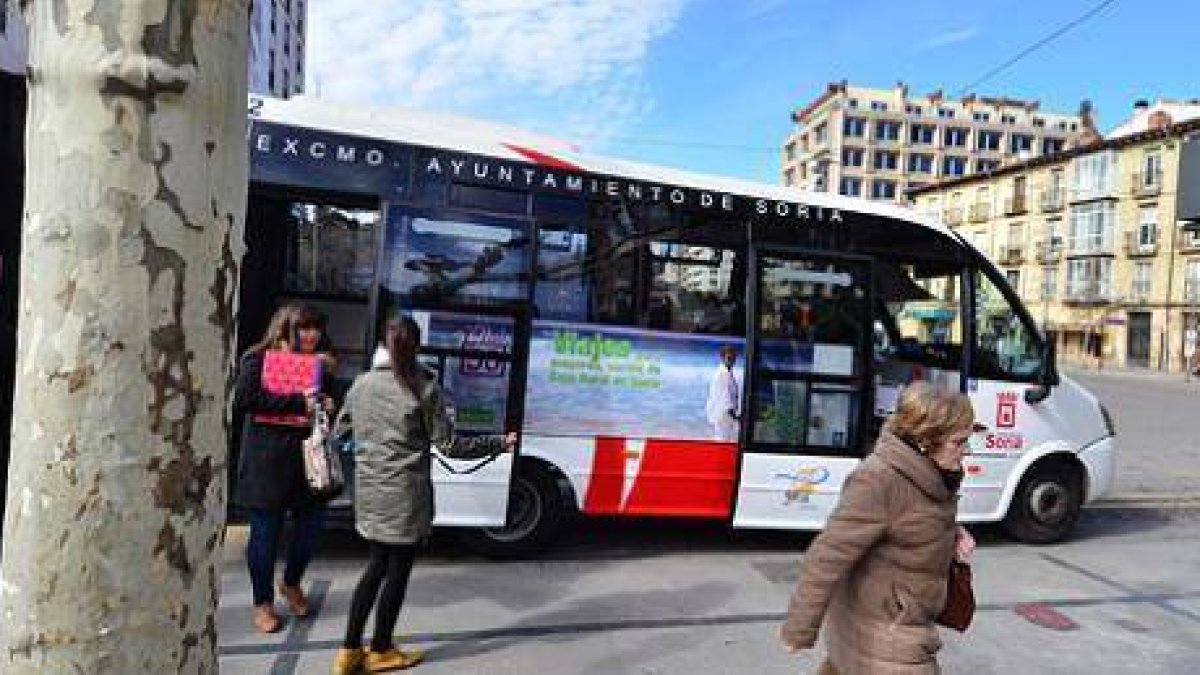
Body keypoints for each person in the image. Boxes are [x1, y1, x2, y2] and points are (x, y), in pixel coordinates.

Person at [331, 316, 517, 674]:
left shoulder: (361, 384)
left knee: (373, 569)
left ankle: (348, 651)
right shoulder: (424, 387)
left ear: (384, 345)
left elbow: (342, 433)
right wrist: (498, 443)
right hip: (405, 497)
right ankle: (381, 649)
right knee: (396, 573)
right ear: (416, 346)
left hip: (370, 494)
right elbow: (451, 445)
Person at [779, 381, 979, 674]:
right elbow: (827, 556)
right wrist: (799, 629)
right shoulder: (879, 480)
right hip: (887, 640)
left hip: (896, 629)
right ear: (925, 440)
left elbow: (912, 518)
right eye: (958, 442)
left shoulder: (934, 472)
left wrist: (951, 533)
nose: (967, 451)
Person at [233, 302, 336, 634]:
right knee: (264, 535)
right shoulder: (257, 359)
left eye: (316, 328)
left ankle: (291, 582)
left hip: (308, 460)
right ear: (285, 328)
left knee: (311, 528)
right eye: (304, 328)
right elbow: (244, 400)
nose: (312, 335)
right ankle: (262, 603)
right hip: (266, 461)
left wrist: (327, 403)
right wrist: (297, 402)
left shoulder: (321, 364)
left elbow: (328, 405)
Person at [706, 345, 741, 441]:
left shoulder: (727, 372)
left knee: (724, 440)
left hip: (725, 415)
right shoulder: (722, 374)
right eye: (729, 358)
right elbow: (725, 398)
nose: (732, 361)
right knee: (723, 441)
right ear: (722, 358)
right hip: (723, 415)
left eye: (734, 358)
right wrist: (735, 416)